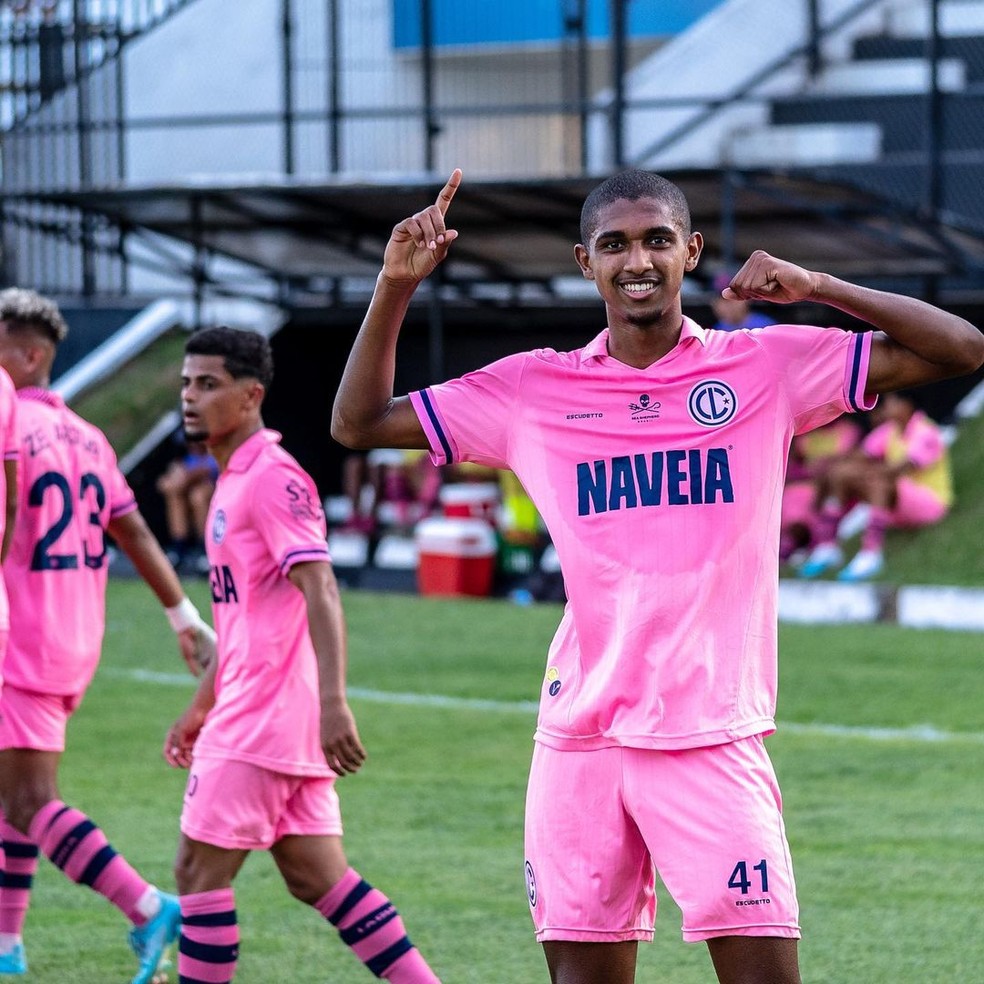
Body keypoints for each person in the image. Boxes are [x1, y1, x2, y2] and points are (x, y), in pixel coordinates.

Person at [330, 168, 984, 984]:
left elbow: (960, 348)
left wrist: (818, 285)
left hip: (711, 734)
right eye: (614, 244)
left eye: (656, 240)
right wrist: (395, 285)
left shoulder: (762, 366)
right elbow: (356, 423)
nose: (636, 259)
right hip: (581, 739)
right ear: (584, 262)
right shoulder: (533, 388)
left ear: (691, 252)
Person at [165, 326, 440, 984]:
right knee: (318, 878)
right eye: (185, 383)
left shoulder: (272, 480)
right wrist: (200, 705)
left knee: (196, 874)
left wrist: (334, 703)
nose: (190, 397)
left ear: (251, 394)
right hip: (257, 712)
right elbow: (241, 623)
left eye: (208, 384)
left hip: (264, 719)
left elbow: (320, 587)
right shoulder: (228, 481)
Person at [0, 287, 215, 983]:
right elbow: (137, 531)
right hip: (72, 639)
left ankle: (147, 906)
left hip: (19, 638)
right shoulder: (89, 438)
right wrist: (182, 615)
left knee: (30, 800)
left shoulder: (11, 432)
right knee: (17, 796)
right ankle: (7, 946)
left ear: (30, 355)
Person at [798, 391, 953, 581]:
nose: (886, 408)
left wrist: (860, 474)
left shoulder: (926, 431)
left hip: (929, 504)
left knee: (879, 480)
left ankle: (871, 552)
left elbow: (899, 469)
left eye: (891, 402)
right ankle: (828, 546)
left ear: (908, 405)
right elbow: (858, 456)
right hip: (896, 502)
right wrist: (835, 466)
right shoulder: (890, 430)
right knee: (841, 474)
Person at [156, 437, 219, 571]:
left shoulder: (214, 453)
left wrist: (182, 478)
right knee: (175, 495)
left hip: (215, 489)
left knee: (198, 497)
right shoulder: (185, 456)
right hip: (187, 487)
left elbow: (209, 470)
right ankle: (179, 549)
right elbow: (164, 484)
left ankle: (205, 550)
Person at [709, 270, 774, 331]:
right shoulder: (714, 332)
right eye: (723, 300)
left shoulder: (766, 327)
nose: (729, 305)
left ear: (747, 298)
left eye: (733, 298)